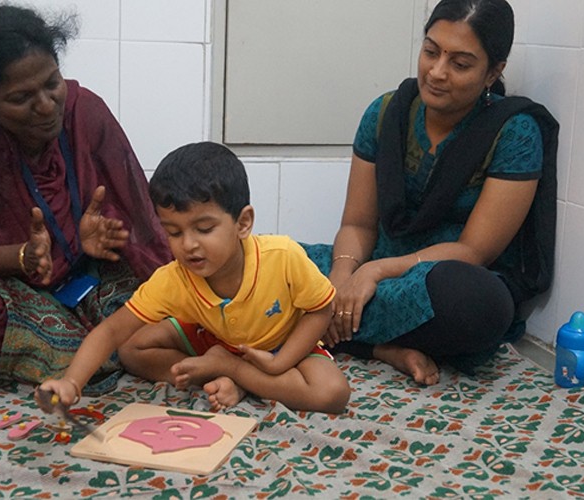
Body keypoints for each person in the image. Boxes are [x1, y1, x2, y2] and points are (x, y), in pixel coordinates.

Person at [0, 4, 171, 392]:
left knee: (162, 297)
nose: (45, 104)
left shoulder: (85, 110)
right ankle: (112, 348)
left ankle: (105, 345)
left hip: (87, 277)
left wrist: (92, 239)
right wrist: (22, 256)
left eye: (52, 83)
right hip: (2, 287)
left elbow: (142, 224)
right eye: (21, 97)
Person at [303, 0, 558, 385]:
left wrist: (375, 272)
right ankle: (376, 346)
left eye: (460, 63)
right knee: (260, 264)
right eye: (430, 52)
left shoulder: (514, 132)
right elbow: (357, 223)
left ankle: (318, 326)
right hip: (369, 264)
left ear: (493, 72)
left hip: (437, 282)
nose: (437, 72)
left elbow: (474, 251)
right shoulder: (386, 112)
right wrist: (341, 279)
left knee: (480, 305)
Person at [38, 142, 350, 413]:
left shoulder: (283, 256)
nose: (188, 245)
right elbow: (111, 332)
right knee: (132, 349)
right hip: (217, 340)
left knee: (332, 393)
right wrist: (71, 382)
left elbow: (321, 309)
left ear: (243, 223)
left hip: (285, 344)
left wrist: (278, 363)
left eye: (204, 229)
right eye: (173, 232)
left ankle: (231, 372)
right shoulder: (174, 278)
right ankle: (223, 372)